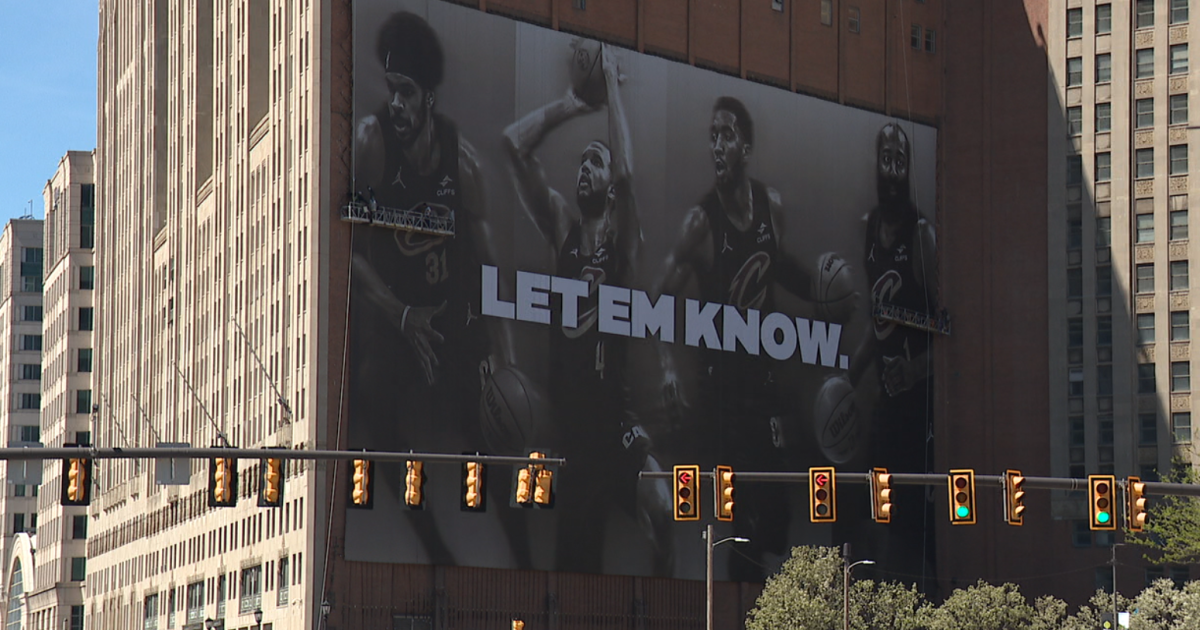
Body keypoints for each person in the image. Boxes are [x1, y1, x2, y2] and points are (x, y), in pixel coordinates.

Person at [349, 10, 520, 567]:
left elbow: (490, 267)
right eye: (391, 90)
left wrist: (505, 360)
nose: (395, 103)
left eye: (406, 93)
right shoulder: (372, 143)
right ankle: (435, 552)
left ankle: (521, 549)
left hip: (445, 323)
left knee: (491, 428)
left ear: (429, 100)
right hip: (391, 316)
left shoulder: (463, 166)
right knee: (371, 402)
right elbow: (349, 256)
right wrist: (401, 316)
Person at [502, 42, 670, 575]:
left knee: (664, 506)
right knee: (575, 572)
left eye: (592, 162)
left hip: (614, 417)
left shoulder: (623, 239)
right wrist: (570, 107)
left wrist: (613, 86)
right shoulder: (562, 229)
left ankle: (680, 607)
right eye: (580, 162)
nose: (584, 169)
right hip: (570, 428)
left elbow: (625, 174)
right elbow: (513, 147)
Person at [653, 97, 819, 580]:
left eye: (726, 135)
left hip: (763, 386)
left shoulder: (772, 206)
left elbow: (778, 267)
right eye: (712, 136)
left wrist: (825, 295)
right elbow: (657, 298)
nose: (717, 145)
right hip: (722, 392)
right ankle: (736, 597)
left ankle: (754, 586)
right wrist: (666, 369)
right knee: (741, 518)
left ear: (745, 147)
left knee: (778, 517)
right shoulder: (700, 222)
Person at [846, 121, 939, 591]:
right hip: (885, 403)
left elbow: (947, 328)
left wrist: (915, 367)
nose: (893, 170)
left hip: (919, 408)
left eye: (901, 160)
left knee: (907, 532)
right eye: (887, 159)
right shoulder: (867, 231)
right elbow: (877, 322)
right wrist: (849, 376)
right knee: (864, 514)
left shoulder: (921, 236)